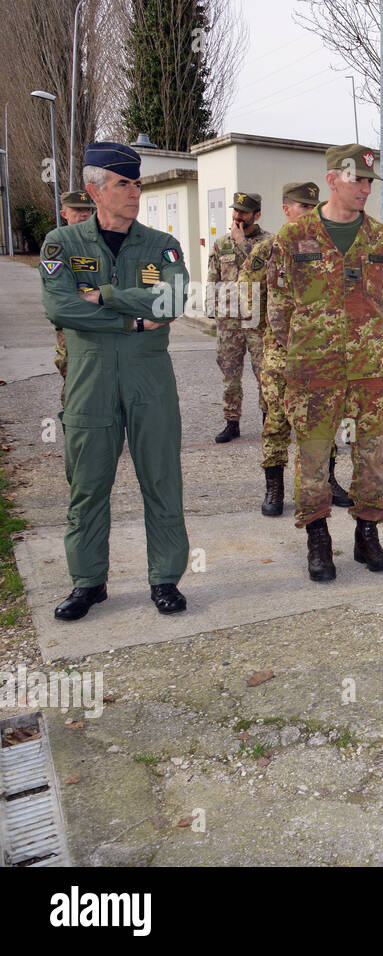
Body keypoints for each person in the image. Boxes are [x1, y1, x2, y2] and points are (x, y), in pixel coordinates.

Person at [39, 141, 189, 619]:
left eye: (136, 182)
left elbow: (172, 304)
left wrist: (101, 297)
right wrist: (133, 317)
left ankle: (165, 579)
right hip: (90, 381)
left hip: (151, 383)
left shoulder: (163, 245)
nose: (134, 191)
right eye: (123, 183)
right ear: (94, 190)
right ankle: (88, 582)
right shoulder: (61, 244)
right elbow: (59, 308)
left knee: (162, 480)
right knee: (87, 484)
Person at [265, 144, 383, 582]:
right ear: (331, 180)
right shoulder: (293, 237)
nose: (364, 188)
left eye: (368, 181)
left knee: (372, 454)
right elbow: (278, 305)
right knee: (315, 456)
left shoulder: (378, 237)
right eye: (356, 179)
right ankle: (317, 538)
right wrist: (293, 358)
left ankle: (367, 534)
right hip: (313, 370)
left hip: (369, 369)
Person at [239, 181, 350, 516]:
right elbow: (247, 296)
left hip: (321, 353)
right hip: (280, 354)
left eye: (313, 208)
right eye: (303, 207)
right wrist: (265, 337)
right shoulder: (268, 250)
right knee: (276, 421)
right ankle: (275, 487)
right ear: (286, 209)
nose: (310, 215)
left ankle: (328, 480)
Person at [210, 191, 266, 444]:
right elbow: (213, 276)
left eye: (244, 212)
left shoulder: (268, 242)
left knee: (265, 373)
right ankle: (231, 422)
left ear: (257, 214)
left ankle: (270, 421)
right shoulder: (221, 243)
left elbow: (262, 271)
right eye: (236, 211)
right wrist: (212, 308)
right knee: (230, 373)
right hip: (229, 319)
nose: (238, 216)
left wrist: (243, 243)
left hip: (257, 319)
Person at [53, 190, 97, 399]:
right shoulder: (57, 245)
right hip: (72, 324)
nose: (83, 215)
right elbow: (57, 289)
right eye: (77, 210)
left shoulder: (101, 243)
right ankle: (72, 424)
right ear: (64, 213)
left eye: (87, 210)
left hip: (103, 321)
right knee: (73, 375)